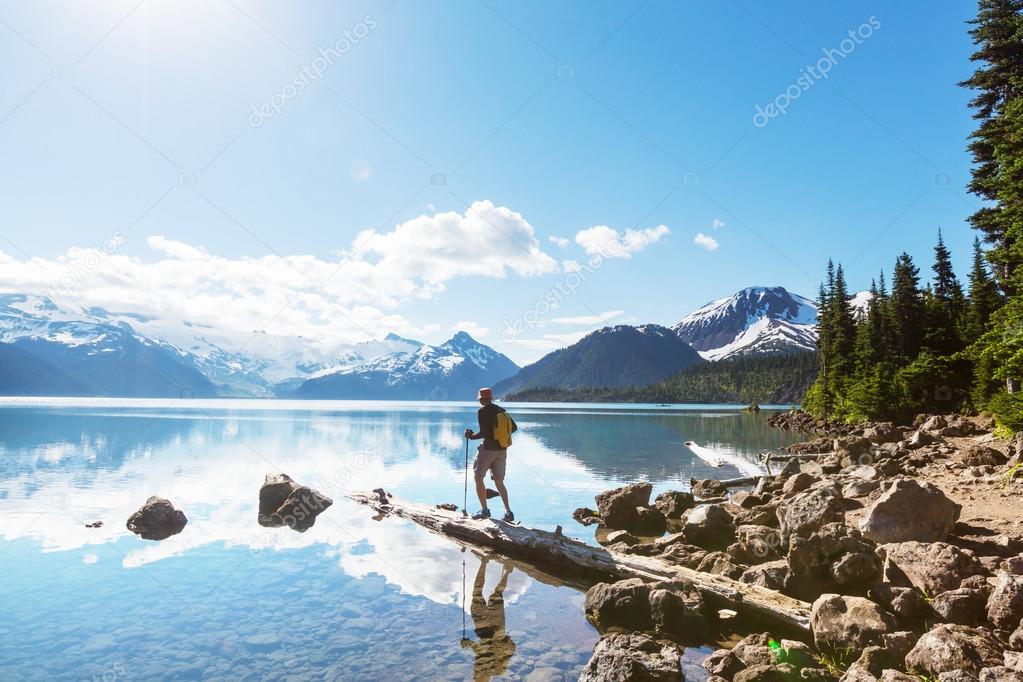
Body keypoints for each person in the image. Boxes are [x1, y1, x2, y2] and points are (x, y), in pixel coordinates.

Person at [460, 557, 516, 681]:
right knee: (479, 594)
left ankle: (505, 570)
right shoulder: (497, 669)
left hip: (495, 625)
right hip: (485, 624)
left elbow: (509, 646)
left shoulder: (499, 669)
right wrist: (468, 643)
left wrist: (469, 644)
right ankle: (485, 562)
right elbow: (484, 650)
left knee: (494, 594)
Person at [464, 387, 513, 521]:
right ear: (490, 398)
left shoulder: (482, 411)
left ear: (480, 399)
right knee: (499, 481)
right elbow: (513, 428)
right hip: (502, 450)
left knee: (478, 477)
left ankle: (485, 511)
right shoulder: (501, 410)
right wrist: (500, 436)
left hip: (488, 450)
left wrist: (470, 436)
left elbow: (484, 433)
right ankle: (508, 512)